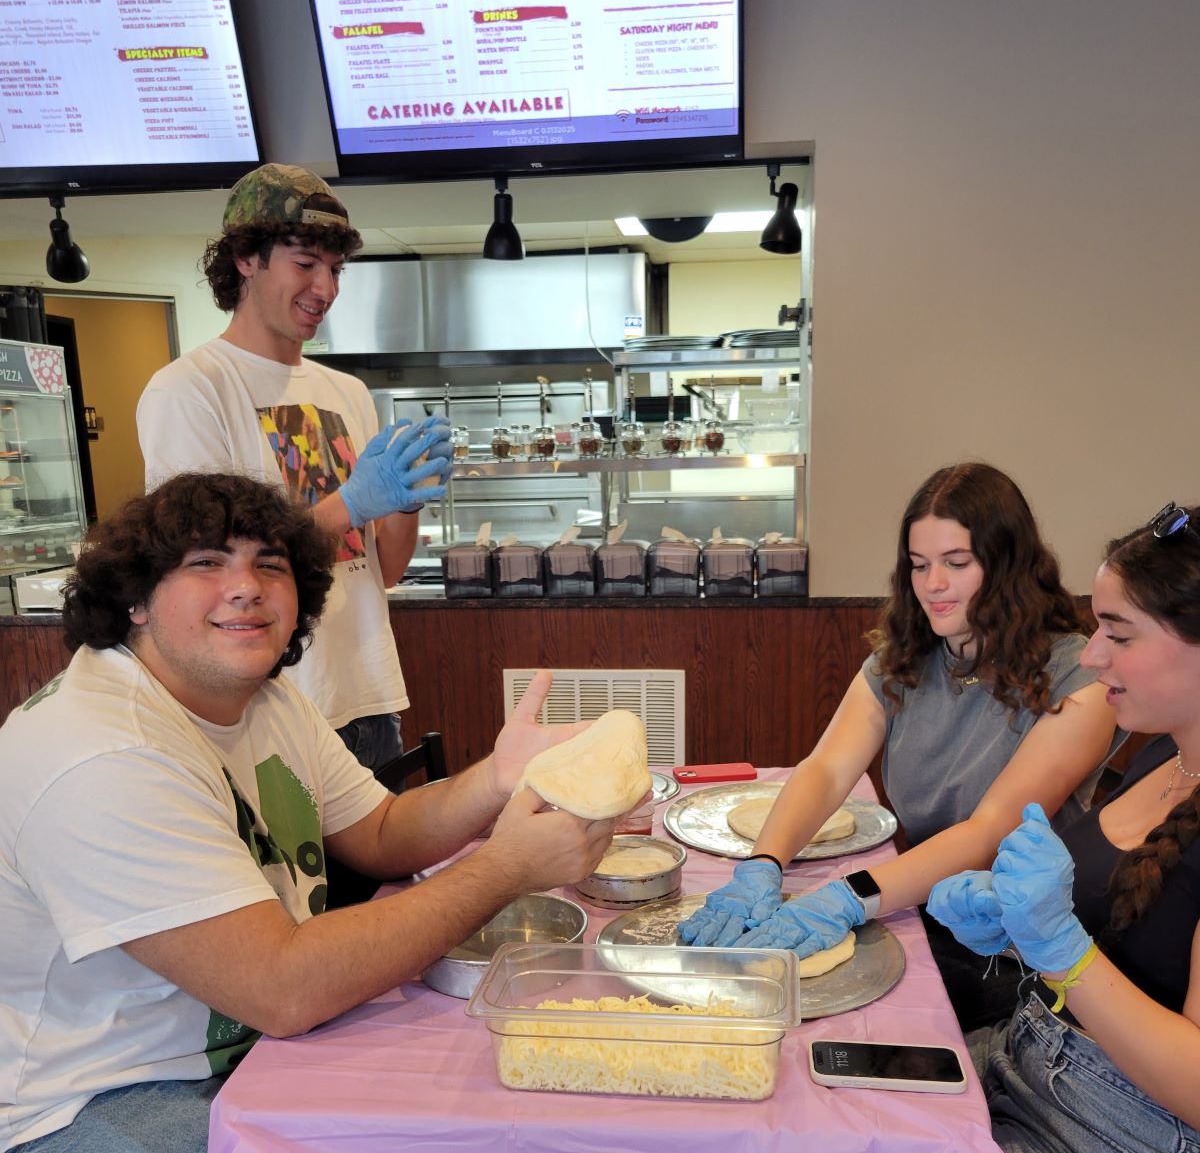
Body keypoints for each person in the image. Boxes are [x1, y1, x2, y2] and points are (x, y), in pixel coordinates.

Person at [0, 473, 614, 1153]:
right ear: (136, 598)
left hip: (254, 1044)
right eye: (206, 563)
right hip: (103, 1094)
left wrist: (498, 780)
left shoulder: (264, 698)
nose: (246, 587)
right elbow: (282, 989)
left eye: (270, 565)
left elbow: (382, 833)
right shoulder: (104, 754)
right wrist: (504, 869)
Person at [679, 462, 1119, 1030]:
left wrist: (847, 897)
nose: (932, 584)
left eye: (956, 563)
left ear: (1008, 564)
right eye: (919, 564)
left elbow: (990, 831)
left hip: (1018, 955)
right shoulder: (905, 660)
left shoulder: (1080, 679)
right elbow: (826, 769)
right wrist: (763, 864)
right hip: (927, 904)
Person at [137, 163, 447, 773]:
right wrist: (350, 504)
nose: (325, 289)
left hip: (368, 695)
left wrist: (407, 498)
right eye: (306, 264)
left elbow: (382, 571)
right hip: (268, 703)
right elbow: (211, 571)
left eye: (336, 270)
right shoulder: (191, 389)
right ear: (245, 258)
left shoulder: (347, 392)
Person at [929, 501, 1200, 1153]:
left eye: (1120, 635)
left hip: (1110, 1122)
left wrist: (1062, 952)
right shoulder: (1169, 752)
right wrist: (1019, 934)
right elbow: (1135, 952)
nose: (1095, 655)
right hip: (1031, 1058)